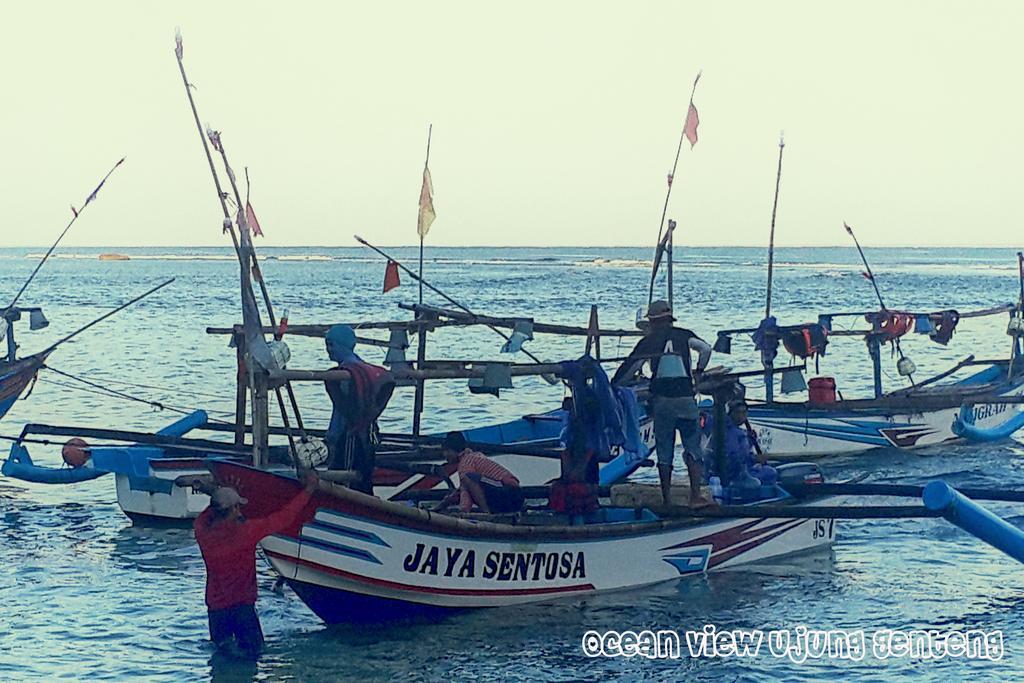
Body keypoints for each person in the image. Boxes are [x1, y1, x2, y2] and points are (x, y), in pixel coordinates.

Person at [194, 471, 318, 658]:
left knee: (221, 658)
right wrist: (308, 490)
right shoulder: (246, 532)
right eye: (238, 507)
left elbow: (209, 513)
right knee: (253, 656)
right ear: (234, 509)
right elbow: (284, 517)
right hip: (242, 608)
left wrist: (216, 492)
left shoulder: (201, 531)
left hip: (216, 610)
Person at [611, 299, 712, 505]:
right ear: (670, 320)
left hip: (663, 401)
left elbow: (629, 369)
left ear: (652, 322)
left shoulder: (648, 342)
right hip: (686, 398)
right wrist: (699, 372)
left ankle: (666, 499)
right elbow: (706, 349)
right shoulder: (684, 335)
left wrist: (614, 385)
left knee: (664, 450)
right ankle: (695, 496)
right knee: (692, 447)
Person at [323, 324, 395, 494]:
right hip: (365, 436)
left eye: (331, 345)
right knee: (361, 480)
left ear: (342, 345)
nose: (328, 350)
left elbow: (344, 412)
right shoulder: (360, 368)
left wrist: (334, 435)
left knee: (346, 483)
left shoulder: (347, 373)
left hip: (351, 436)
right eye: (327, 345)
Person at [436, 432, 524, 514]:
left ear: (454, 450)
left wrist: (463, 512)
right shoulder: (475, 455)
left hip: (510, 493)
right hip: (514, 496)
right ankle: (489, 511)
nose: (445, 454)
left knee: (468, 478)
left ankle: (486, 512)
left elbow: (467, 485)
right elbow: (465, 490)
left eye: (447, 451)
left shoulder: (465, 462)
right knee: (468, 481)